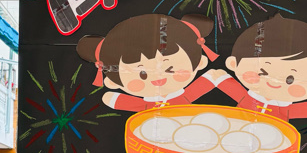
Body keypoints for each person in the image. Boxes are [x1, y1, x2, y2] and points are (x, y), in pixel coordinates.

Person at [76, 13, 219, 112]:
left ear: (199, 63)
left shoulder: (186, 96)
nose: (158, 78)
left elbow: (215, 77)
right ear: (113, 82)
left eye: (170, 69)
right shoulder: (143, 105)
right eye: (142, 73)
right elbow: (112, 99)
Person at [212, 14, 307, 121]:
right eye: (262, 72)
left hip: (276, 138)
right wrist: (219, 78)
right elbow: (220, 79)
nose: (274, 81)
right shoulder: (247, 97)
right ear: (233, 64)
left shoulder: (285, 109)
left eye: (290, 79)